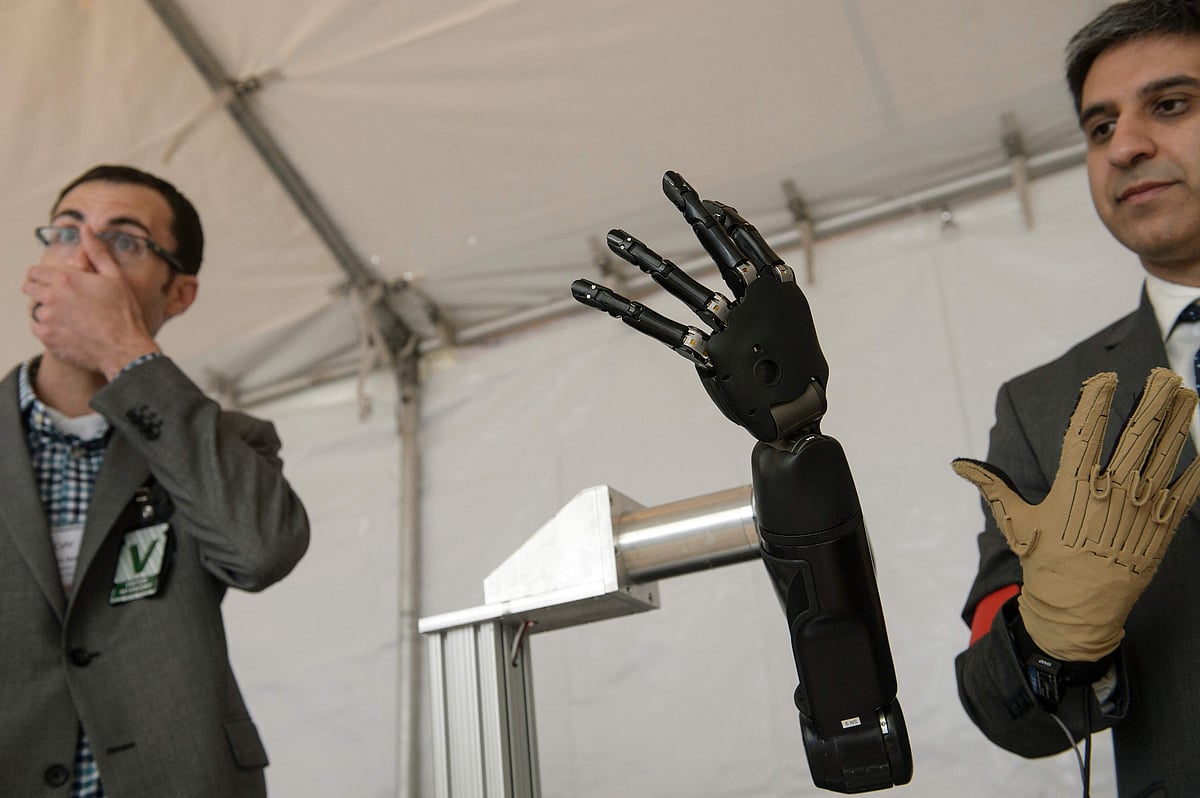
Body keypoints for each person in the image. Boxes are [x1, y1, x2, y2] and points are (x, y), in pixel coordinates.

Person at [0, 164, 310, 797]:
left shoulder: (226, 442)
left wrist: (122, 349)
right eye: (65, 232)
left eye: (125, 241)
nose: (85, 257)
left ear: (178, 294)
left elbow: (259, 553)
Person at [954, 1, 1200, 795]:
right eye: (1099, 128)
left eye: (1172, 104)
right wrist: (1052, 637)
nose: (1126, 146)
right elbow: (1003, 710)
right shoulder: (1041, 406)